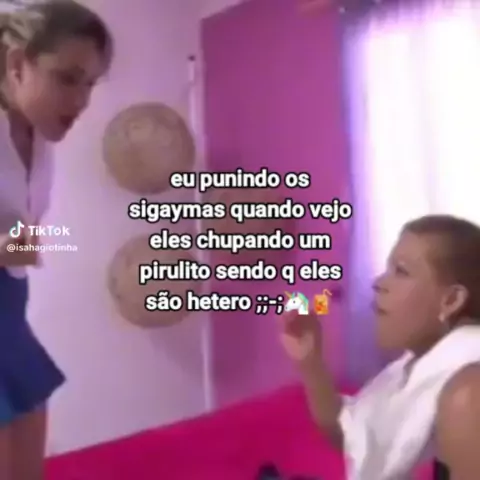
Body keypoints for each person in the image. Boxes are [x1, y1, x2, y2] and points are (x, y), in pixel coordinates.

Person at [0, 1, 113, 478]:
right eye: (68, 79)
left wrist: (21, 244)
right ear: (17, 64)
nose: (81, 101)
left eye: (90, 84)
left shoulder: (40, 139)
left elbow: (20, 235)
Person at [280, 215, 480, 479]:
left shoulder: (468, 392)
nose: (378, 282)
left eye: (401, 271)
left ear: (451, 300)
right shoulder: (413, 368)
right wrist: (311, 360)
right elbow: (353, 438)